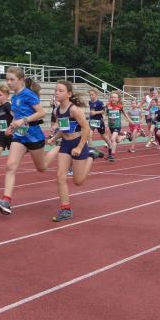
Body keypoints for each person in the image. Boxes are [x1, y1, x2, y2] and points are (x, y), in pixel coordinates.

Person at [0, 67, 49, 214]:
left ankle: (60, 149)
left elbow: (42, 113)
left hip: (34, 136)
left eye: (12, 79)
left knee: (42, 168)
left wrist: (23, 121)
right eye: (7, 79)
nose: (9, 82)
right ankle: (6, 200)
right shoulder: (14, 97)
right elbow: (16, 117)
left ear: (21, 80)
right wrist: (11, 127)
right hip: (19, 137)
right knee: (10, 166)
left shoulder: (28, 94)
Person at [49, 80, 103, 222]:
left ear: (69, 94)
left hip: (78, 143)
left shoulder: (74, 110)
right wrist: (54, 137)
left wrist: (79, 147)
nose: (56, 93)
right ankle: (66, 209)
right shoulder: (56, 111)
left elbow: (86, 128)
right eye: (56, 90)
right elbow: (64, 128)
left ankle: (91, 155)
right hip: (65, 144)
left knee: (78, 181)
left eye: (60, 90)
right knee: (60, 177)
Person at [87, 89, 112, 160]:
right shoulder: (90, 102)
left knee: (103, 136)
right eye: (90, 95)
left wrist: (95, 113)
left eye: (92, 95)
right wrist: (89, 116)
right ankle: (91, 151)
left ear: (96, 95)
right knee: (89, 135)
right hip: (92, 121)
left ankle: (110, 147)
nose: (91, 96)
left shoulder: (99, 102)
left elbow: (104, 111)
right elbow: (91, 111)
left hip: (99, 121)